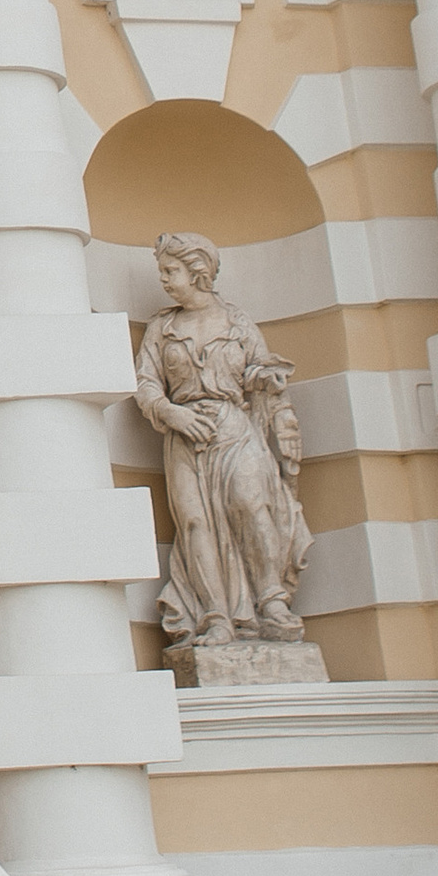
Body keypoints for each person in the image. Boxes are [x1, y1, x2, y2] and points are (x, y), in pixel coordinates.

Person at [132, 229, 313, 657]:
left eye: (170, 271)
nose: (164, 279)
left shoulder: (237, 322)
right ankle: (215, 617)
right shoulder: (161, 327)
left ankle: (271, 601)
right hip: (185, 435)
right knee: (195, 523)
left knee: (251, 506)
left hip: (234, 428)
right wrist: (171, 412)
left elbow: (260, 372)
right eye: (163, 271)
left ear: (197, 272)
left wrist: (265, 378)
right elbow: (146, 383)